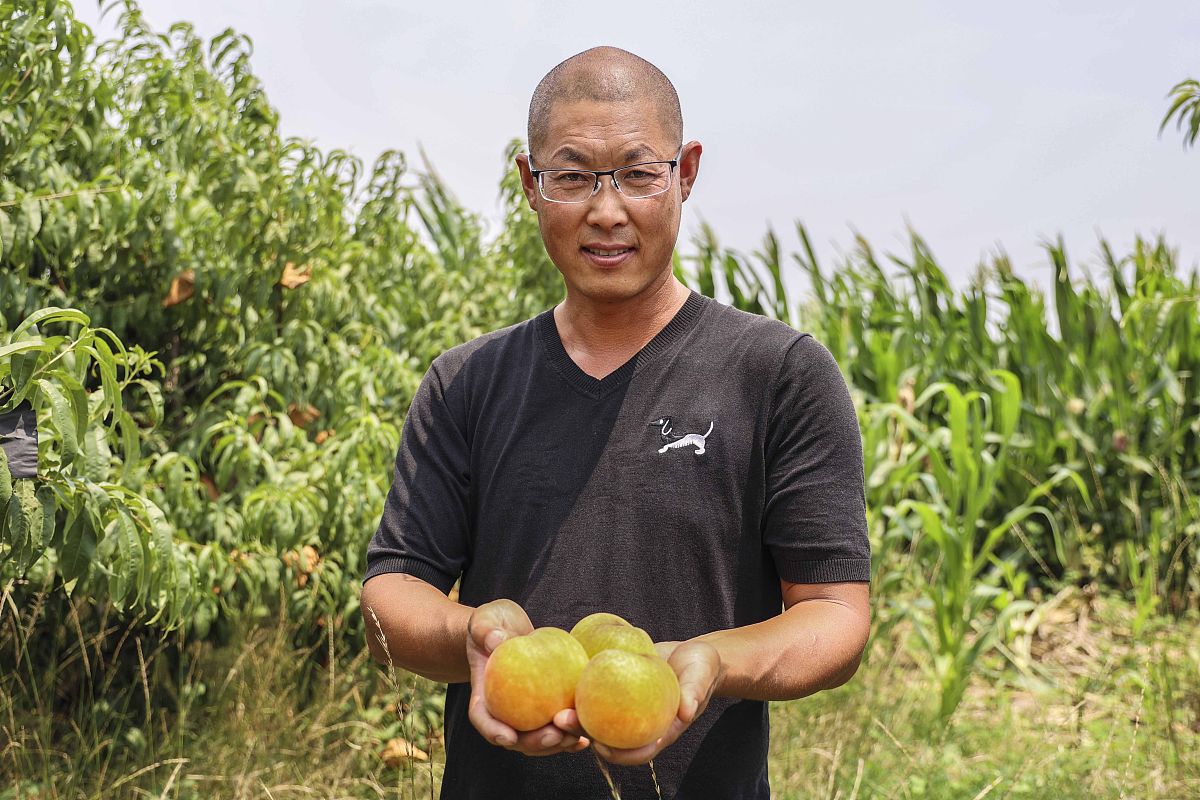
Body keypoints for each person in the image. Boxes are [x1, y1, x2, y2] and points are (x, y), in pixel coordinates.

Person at [361, 45, 871, 799]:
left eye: (638, 173)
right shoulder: (467, 382)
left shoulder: (778, 375)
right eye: (572, 176)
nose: (607, 210)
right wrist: (472, 638)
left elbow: (833, 615)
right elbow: (393, 590)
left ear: (685, 172)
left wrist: (709, 663)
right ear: (530, 185)